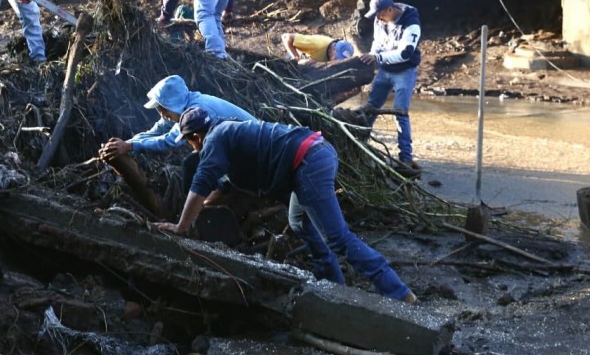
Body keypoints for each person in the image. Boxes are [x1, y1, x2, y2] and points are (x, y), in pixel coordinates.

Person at [156, 107, 417, 302]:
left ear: (196, 137)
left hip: (308, 163)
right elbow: (224, 187)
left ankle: (399, 293)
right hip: (313, 156)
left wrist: (181, 226)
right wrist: (201, 209)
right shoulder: (227, 131)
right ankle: (333, 285)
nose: (192, 148)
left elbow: (202, 182)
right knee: (299, 222)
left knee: (337, 238)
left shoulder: (214, 140)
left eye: (189, 142)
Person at [99, 75, 255, 194]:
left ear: (172, 103)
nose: (162, 115)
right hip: (234, 147)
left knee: (195, 165)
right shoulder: (181, 106)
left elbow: (170, 140)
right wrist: (125, 144)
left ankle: (204, 205)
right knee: (194, 163)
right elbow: (155, 132)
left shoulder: (195, 110)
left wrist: (130, 146)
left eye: (163, 109)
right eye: (159, 110)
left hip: (251, 148)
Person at [359, 0, 422, 173]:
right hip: (385, 70)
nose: (378, 18)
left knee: (400, 112)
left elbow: (404, 54)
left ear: (390, 9)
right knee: (371, 107)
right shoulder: (380, 20)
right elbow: (377, 43)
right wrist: (372, 57)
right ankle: (360, 144)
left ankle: (405, 159)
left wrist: (376, 57)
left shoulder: (411, 24)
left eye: (380, 14)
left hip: (404, 71)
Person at [282, 33, 356, 62]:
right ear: (333, 49)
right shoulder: (316, 44)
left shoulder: (332, 50)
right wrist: (296, 58)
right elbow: (287, 37)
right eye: (336, 58)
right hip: (299, 59)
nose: (336, 62)